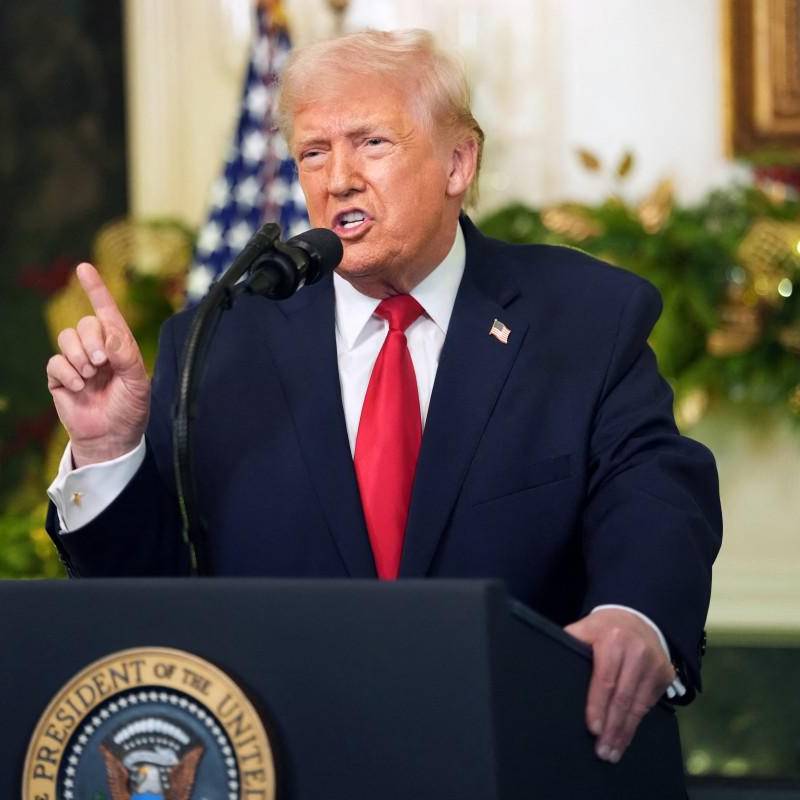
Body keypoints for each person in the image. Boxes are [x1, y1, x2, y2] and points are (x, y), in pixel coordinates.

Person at [45, 29, 722, 765]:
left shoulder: (583, 315)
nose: (338, 179)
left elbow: (655, 489)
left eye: (371, 143)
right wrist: (107, 451)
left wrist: (635, 614)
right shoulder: (218, 340)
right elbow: (152, 606)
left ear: (458, 162)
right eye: (313, 153)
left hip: (522, 751)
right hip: (296, 759)